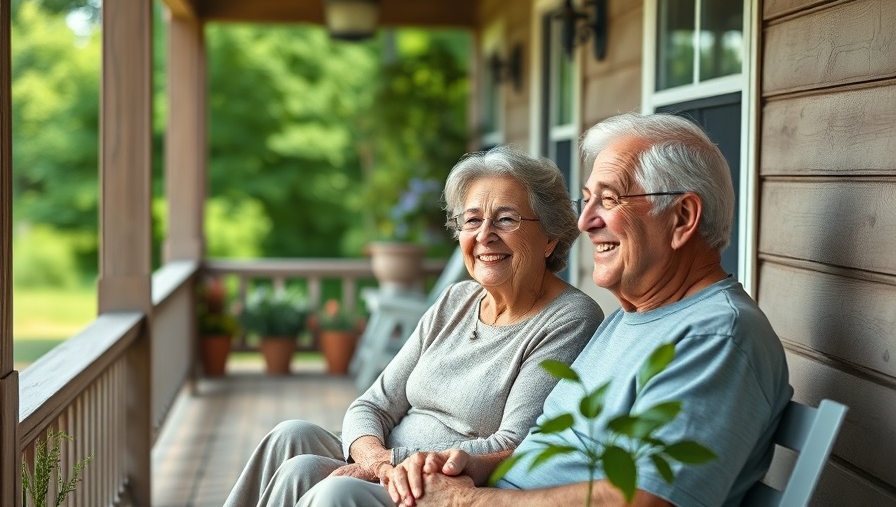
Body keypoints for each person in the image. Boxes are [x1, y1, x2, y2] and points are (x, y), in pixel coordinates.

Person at [300, 112, 792, 507]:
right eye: (587, 201)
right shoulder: (630, 319)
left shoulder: (715, 336)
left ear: (682, 217)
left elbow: (646, 497)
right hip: (495, 490)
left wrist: (468, 501)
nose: (587, 220)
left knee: (337, 493)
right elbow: (541, 446)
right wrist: (475, 467)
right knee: (305, 460)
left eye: (610, 200)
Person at [222, 145, 604, 507]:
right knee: (290, 437)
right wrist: (377, 461)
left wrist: (398, 464)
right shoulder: (457, 300)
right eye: (472, 220)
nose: (484, 234)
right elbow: (372, 404)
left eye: (506, 219)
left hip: (440, 483)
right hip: (390, 461)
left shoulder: (568, 318)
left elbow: (515, 444)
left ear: (551, 237)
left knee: (318, 480)